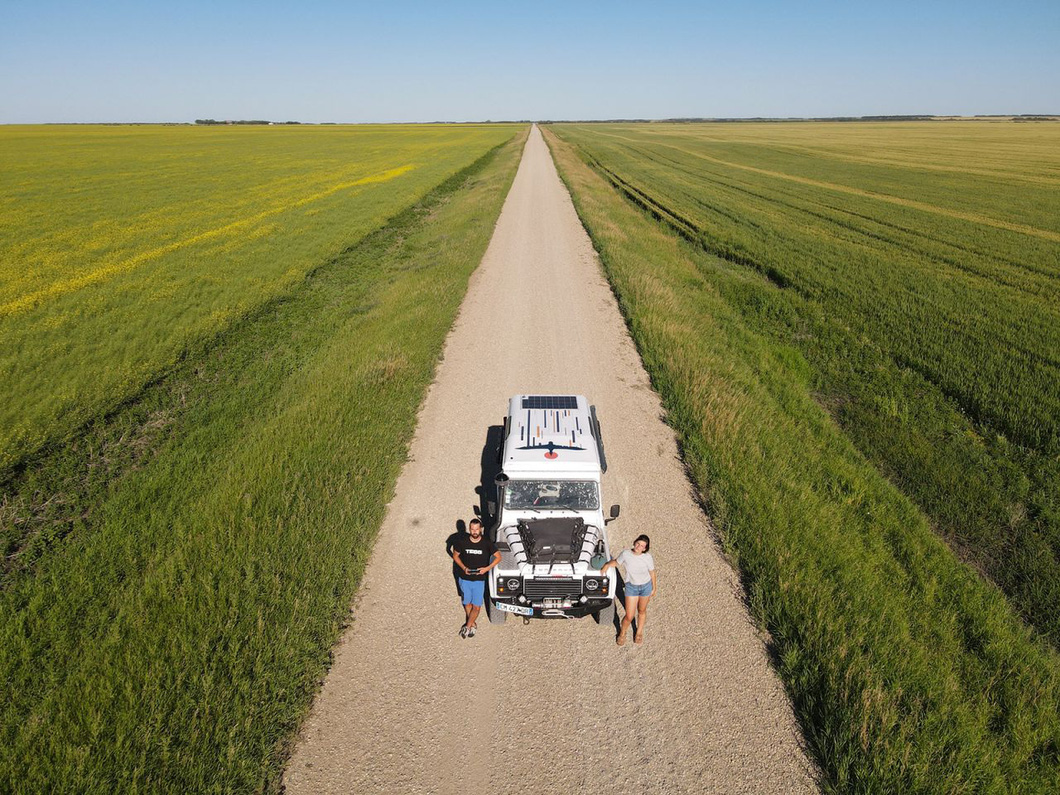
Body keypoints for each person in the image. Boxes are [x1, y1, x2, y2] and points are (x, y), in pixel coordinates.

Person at [601, 534, 656, 645]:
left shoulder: (647, 557)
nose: (638, 547)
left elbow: (652, 572)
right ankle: (622, 633)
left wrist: (654, 587)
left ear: (645, 548)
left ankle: (639, 633)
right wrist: (607, 565)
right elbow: (617, 562)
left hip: (645, 587)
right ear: (634, 542)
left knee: (642, 611)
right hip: (632, 587)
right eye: (638, 543)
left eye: (642, 546)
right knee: (629, 616)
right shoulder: (626, 554)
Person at [452, 518, 500, 638]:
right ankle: (472, 624)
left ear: (481, 529)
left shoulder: (486, 543)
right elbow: (455, 555)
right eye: (472, 529)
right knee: (467, 603)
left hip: (479, 579)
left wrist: (487, 568)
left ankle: (467, 627)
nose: (474, 532)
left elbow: (498, 557)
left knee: (477, 606)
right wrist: (463, 568)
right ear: (469, 529)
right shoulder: (462, 542)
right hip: (465, 578)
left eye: (477, 529)